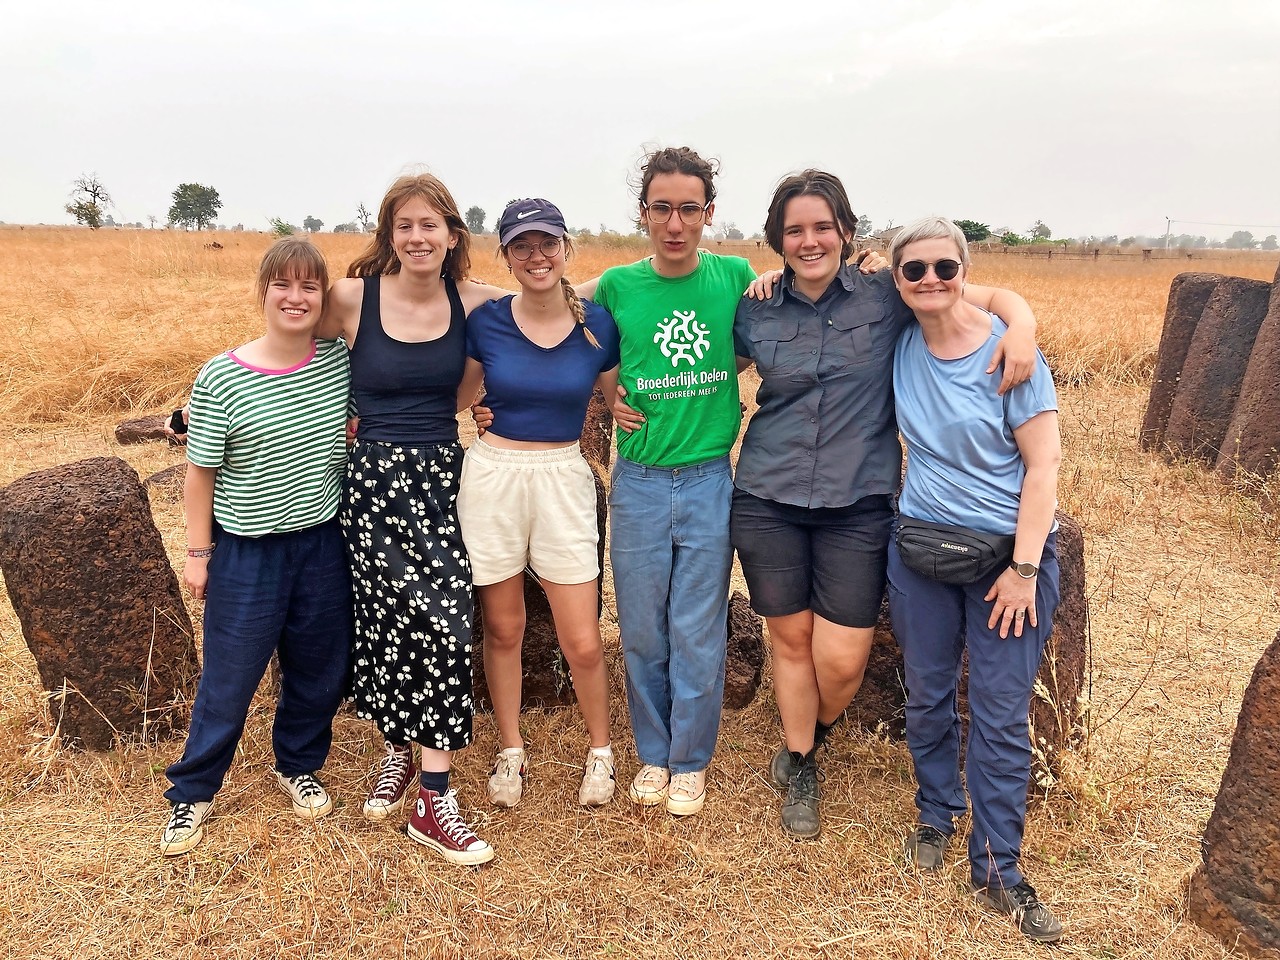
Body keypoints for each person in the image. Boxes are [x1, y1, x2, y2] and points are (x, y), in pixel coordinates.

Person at [731, 171, 1043, 840]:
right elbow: (704, 370)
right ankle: (801, 760)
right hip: (767, 496)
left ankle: (813, 726)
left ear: (847, 230)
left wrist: (1022, 327)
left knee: (841, 659)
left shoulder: (888, 292)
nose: (809, 241)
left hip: (858, 501)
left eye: (823, 227)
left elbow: (982, 292)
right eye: (794, 230)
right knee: (789, 640)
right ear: (776, 239)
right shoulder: (754, 306)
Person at [318, 173, 505, 866]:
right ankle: (401, 749)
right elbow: (287, 333)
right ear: (389, 234)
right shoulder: (351, 297)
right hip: (370, 479)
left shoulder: (478, 303)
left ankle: (434, 797)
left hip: (441, 476)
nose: (418, 237)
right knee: (387, 617)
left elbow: (560, 303)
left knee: (447, 622)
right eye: (405, 225)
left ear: (453, 234)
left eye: (431, 225)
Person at [886, 217, 1064, 943]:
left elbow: (1044, 469)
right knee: (926, 693)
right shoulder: (899, 344)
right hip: (922, 550)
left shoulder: (1010, 356)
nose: (930, 281)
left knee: (997, 711)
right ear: (897, 282)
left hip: (1003, 562)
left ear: (965, 270)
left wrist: (1024, 569)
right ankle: (936, 812)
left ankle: (998, 865)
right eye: (914, 271)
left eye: (943, 268)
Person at [160, 237, 353, 856]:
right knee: (231, 672)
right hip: (248, 552)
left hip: (323, 544)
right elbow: (201, 475)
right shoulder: (222, 376)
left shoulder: (339, 359)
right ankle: (192, 791)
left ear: (322, 298)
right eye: (283, 285)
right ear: (262, 292)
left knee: (318, 667)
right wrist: (197, 554)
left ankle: (297, 764)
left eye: (308, 287)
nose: (295, 298)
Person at [457, 198, 621, 808]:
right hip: (494, 472)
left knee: (581, 636)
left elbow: (619, 396)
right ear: (506, 255)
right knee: (504, 627)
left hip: (562, 473)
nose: (537, 256)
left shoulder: (597, 325)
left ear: (566, 247)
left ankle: (600, 751)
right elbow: (461, 395)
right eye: (521, 246)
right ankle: (510, 749)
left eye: (547, 243)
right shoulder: (488, 321)